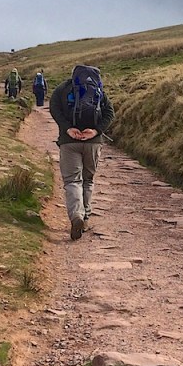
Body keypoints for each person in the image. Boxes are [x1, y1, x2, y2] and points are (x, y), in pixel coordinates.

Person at [48, 65, 115, 240]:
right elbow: (109, 112)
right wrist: (96, 131)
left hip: (69, 142)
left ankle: (76, 215)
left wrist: (68, 128)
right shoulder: (99, 90)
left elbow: (54, 109)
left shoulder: (62, 89)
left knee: (72, 181)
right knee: (88, 180)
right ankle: (85, 218)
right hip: (93, 143)